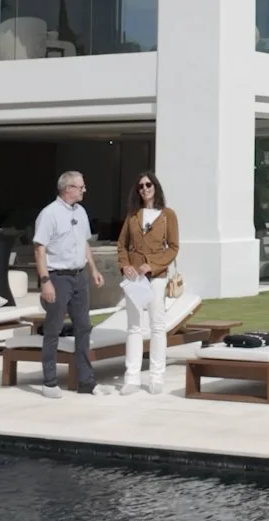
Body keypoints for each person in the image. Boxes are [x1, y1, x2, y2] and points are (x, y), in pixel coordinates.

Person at [31, 170, 105, 399]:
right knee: (53, 328)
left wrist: (93, 269)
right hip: (57, 277)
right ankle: (49, 381)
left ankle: (86, 381)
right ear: (67, 188)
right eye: (80, 186)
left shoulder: (81, 212)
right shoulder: (49, 214)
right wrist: (45, 282)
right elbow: (39, 249)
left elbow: (84, 243)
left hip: (78, 276)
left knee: (83, 327)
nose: (84, 190)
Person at [114, 171, 179, 396]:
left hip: (156, 278)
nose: (145, 189)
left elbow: (173, 247)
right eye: (140, 186)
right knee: (133, 327)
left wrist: (152, 264)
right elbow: (121, 245)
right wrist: (125, 266)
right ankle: (131, 377)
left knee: (157, 326)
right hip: (134, 279)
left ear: (155, 187)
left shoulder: (167, 215)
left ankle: (156, 376)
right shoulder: (133, 215)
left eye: (148, 184)